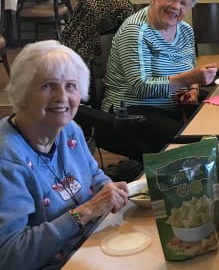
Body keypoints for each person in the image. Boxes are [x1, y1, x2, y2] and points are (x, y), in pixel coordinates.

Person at [0, 41, 129, 269]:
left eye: (71, 86)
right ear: (22, 92)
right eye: (48, 86)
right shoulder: (7, 159)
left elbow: (93, 174)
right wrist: (85, 212)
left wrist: (111, 191)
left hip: (93, 248)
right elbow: (9, 255)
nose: (62, 97)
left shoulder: (68, 129)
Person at [101, 0, 217, 161]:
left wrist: (194, 89)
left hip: (170, 108)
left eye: (184, 3)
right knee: (193, 142)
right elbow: (141, 87)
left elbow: (190, 70)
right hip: (131, 110)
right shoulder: (136, 31)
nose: (176, 7)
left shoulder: (185, 31)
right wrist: (188, 78)